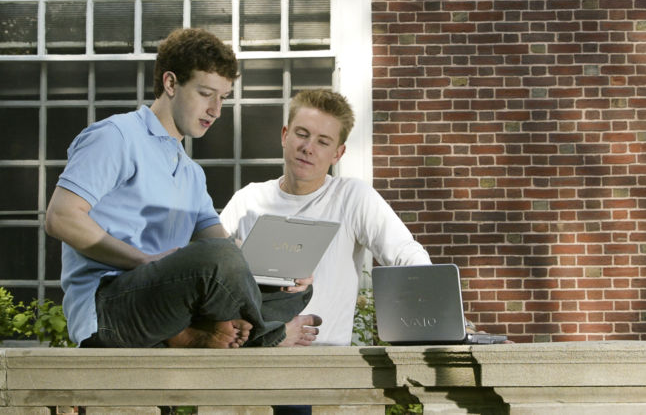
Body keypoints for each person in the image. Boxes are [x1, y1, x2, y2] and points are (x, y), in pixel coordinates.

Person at [45, 28, 321, 349]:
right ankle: (269, 335)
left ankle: (205, 332)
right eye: (206, 94)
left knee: (295, 285)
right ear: (171, 83)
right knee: (214, 258)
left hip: (169, 306)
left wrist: (281, 274)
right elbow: (61, 218)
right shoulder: (116, 136)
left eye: (223, 98)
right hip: (110, 305)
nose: (216, 110)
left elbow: (227, 252)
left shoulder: (191, 173)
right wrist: (144, 261)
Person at [220, 89, 433, 346]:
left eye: (323, 141)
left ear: (338, 154)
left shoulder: (352, 198)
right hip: (249, 360)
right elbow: (212, 275)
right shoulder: (247, 200)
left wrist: (434, 308)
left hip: (326, 364)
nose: (308, 148)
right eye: (302, 134)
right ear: (285, 136)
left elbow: (406, 254)